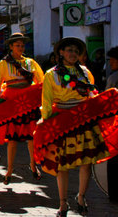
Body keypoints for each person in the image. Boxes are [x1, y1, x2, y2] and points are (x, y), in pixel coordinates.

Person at [34, 37, 118, 216]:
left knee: (86, 163)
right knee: (62, 165)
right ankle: (63, 202)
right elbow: (47, 100)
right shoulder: (52, 74)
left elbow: (92, 95)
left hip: (83, 122)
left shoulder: (85, 73)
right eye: (69, 50)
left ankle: (81, 197)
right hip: (63, 122)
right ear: (61, 53)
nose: (73, 54)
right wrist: (45, 120)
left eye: (76, 51)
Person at [0, 32, 44, 185]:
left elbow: (41, 81)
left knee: (31, 137)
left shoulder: (31, 63)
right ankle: (9, 169)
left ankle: (33, 165)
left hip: (28, 102)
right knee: (13, 139)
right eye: (17, 45)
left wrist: (42, 99)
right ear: (11, 47)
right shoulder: (4, 64)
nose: (20, 47)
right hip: (12, 103)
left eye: (22, 45)